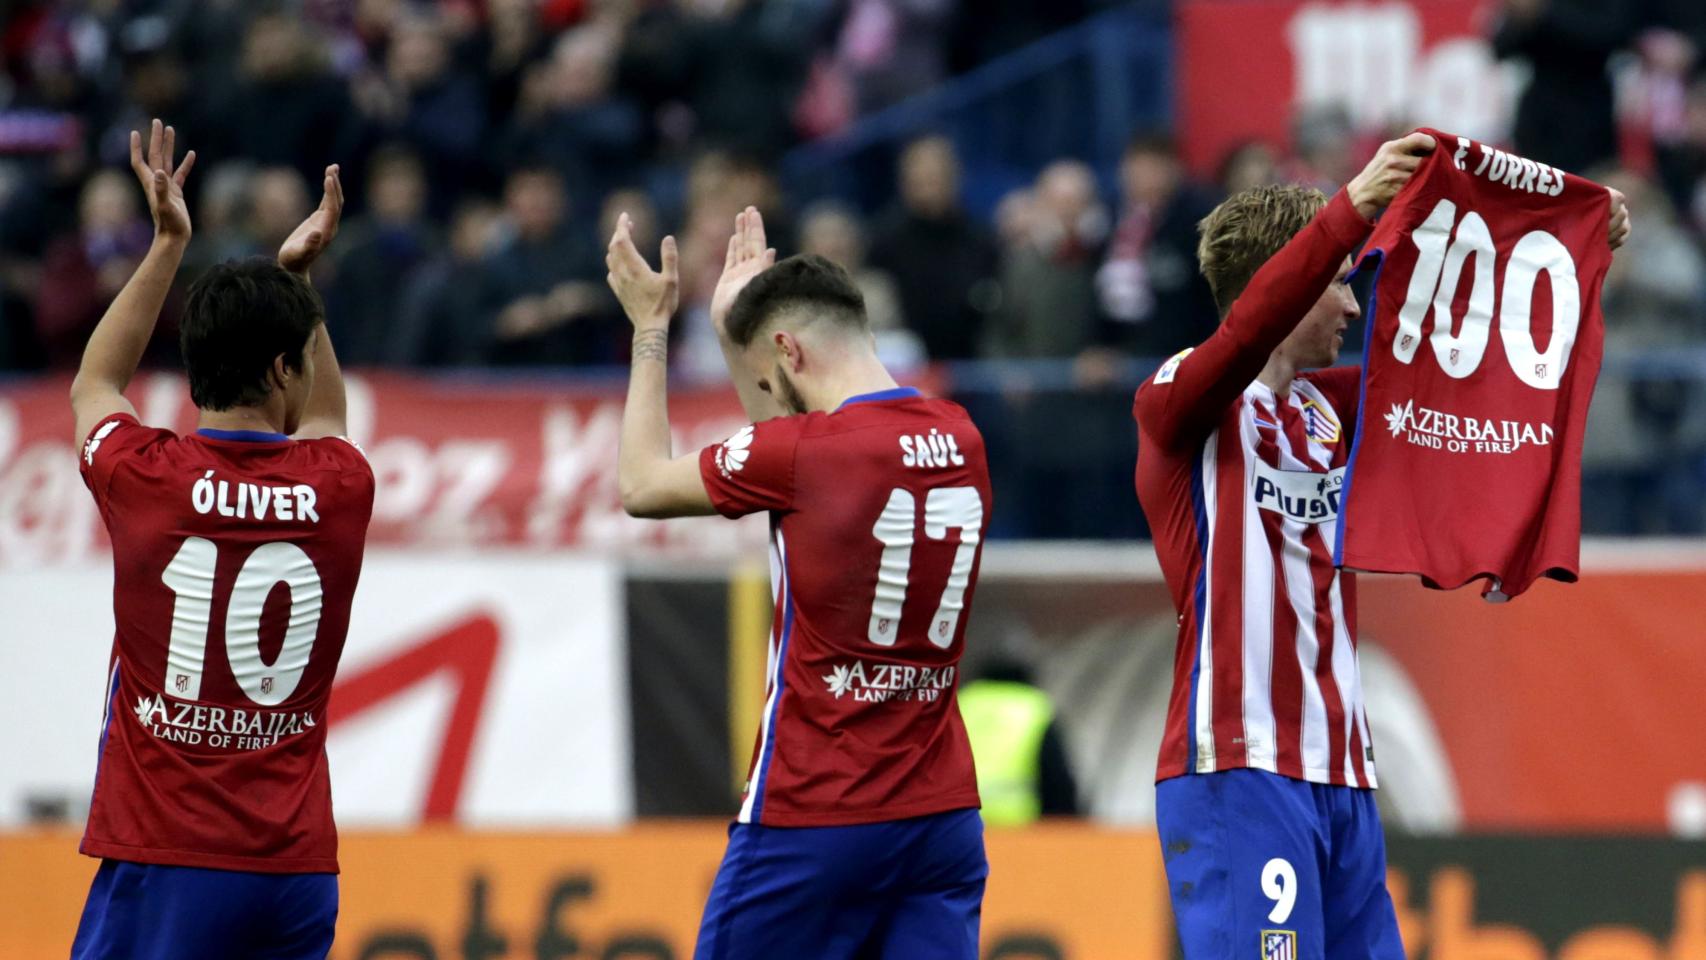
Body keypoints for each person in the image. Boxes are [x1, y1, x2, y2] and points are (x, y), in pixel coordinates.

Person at [1134, 133, 1631, 956]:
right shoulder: (1181, 401)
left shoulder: (1330, 412)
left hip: (1344, 773)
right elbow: (1251, 328)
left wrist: (1572, 248)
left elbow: (1473, 360)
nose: (1356, 307)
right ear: (1286, 283)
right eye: (1338, 283)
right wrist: (1353, 210)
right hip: (1239, 765)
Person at [605, 206, 993, 959]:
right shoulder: (961, 435)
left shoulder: (806, 453)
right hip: (940, 819)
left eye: (762, 368)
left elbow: (643, 485)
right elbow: (784, 440)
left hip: (815, 813)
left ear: (787, 347)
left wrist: (652, 330)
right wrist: (733, 336)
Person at [67, 120, 371, 960]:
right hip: (295, 870)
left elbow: (96, 380)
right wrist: (296, 281)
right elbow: (330, 418)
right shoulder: (339, 488)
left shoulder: (144, 478)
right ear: (285, 367)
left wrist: (167, 243)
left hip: (167, 860)